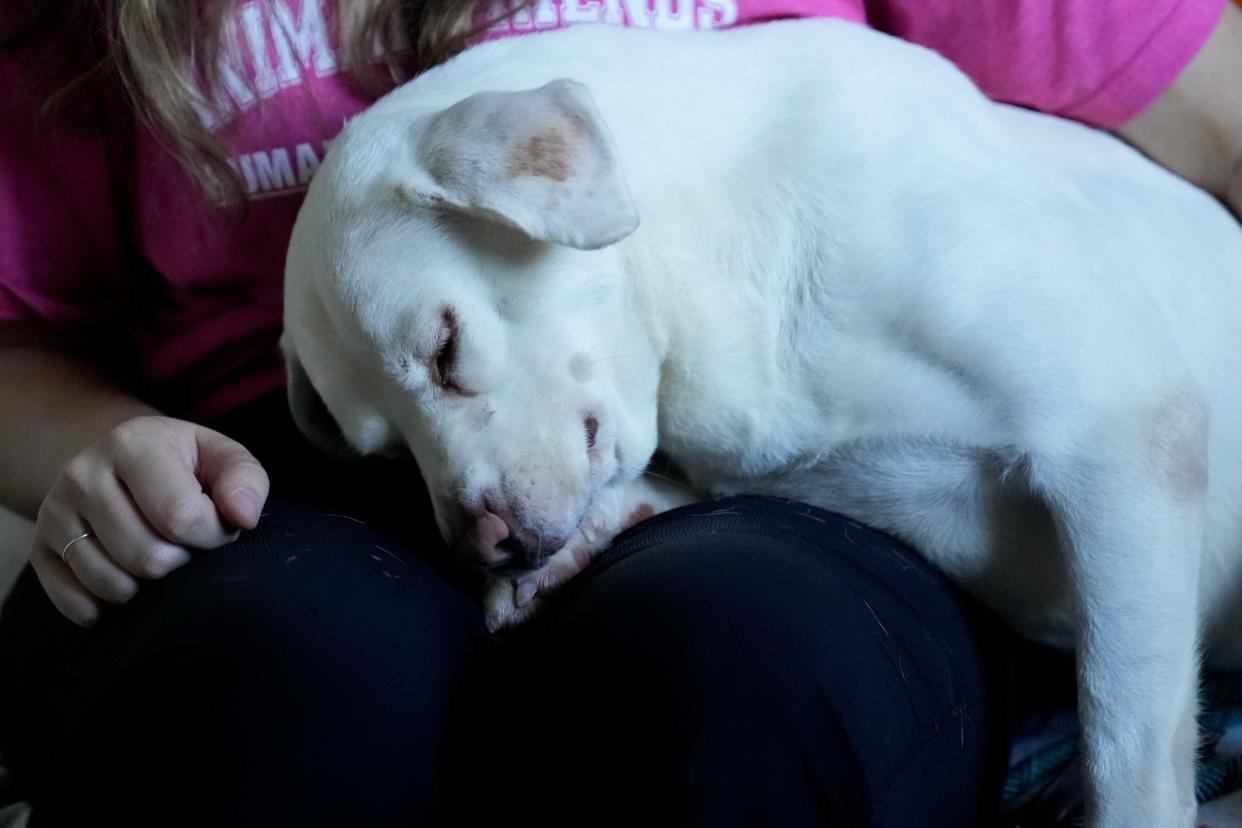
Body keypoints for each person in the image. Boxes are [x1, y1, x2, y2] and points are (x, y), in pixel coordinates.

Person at [0, 1, 1238, 825]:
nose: (476, 517)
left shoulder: (853, 148)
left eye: (450, 349)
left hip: (770, 505)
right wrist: (93, 458)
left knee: (738, 665)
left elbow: (1214, 132)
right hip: (263, 477)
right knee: (279, 687)